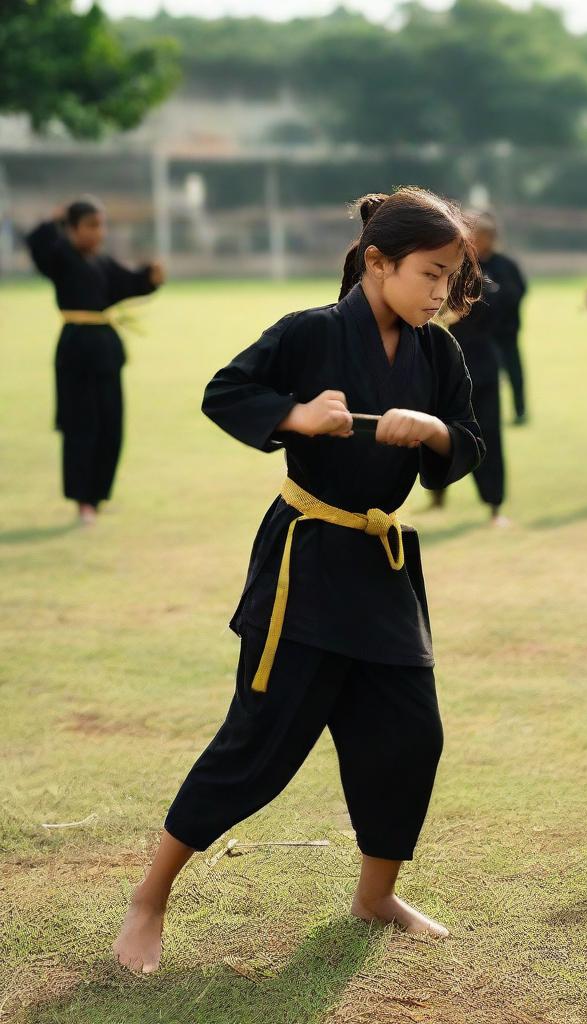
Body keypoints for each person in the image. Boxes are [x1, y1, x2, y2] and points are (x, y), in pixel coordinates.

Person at [113, 188, 485, 974]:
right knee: (259, 742)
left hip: (381, 570)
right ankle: (149, 899)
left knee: (409, 736)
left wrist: (438, 433)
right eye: (428, 274)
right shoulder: (310, 333)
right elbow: (227, 392)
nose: (440, 293)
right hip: (305, 563)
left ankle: (376, 894)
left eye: (450, 279)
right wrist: (294, 417)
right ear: (377, 263)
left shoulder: (438, 353)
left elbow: (471, 444)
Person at [26, 197, 165, 524]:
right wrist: (54, 217)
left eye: (101, 225)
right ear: (72, 229)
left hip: (106, 352)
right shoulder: (61, 258)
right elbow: (38, 243)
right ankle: (82, 501)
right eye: (90, 225)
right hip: (77, 352)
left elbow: (129, 283)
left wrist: (151, 278)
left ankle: (99, 495)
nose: (98, 232)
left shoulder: (102, 263)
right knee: (81, 425)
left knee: (110, 426)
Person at [428, 214, 511, 526]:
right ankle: (436, 494)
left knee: (487, 433)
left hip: (480, 363)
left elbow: (498, 307)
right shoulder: (439, 271)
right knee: (432, 430)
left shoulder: (487, 279)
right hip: (443, 364)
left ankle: (494, 505)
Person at [473, 213, 529, 425]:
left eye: (484, 236)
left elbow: (518, 291)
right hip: (478, 334)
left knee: (514, 370)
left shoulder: (506, 265)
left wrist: (495, 298)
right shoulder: (470, 264)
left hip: (505, 331)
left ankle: (520, 410)